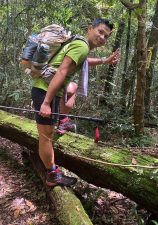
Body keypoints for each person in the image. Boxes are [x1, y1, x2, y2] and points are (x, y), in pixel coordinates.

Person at [32, 18, 119, 187]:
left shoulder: (81, 45)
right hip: (45, 91)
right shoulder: (83, 46)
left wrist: (104, 61)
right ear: (90, 28)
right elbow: (62, 71)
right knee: (46, 137)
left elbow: (83, 62)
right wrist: (46, 102)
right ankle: (52, 175)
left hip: (47, 91)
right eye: (100, 32)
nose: (102, 38)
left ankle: (52, 169)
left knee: (47, 136)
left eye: (106, 36)